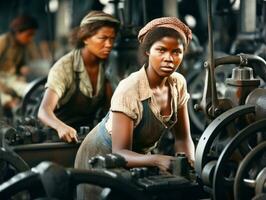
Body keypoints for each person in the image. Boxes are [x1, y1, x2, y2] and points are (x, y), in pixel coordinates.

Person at [75, 16, 195, 200]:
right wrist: (157, 159)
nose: (169, 58)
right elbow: (120, 151)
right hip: (99, 158)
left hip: (137, 157)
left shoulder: (178, 83)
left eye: (176, 52)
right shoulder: (129, 89)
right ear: (147, 51)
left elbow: (183, 137)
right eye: (161, 50)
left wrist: (189, 166)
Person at [38, 11, 120, 143]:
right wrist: (61, 127)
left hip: (86, 136)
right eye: (103, 38)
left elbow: (110, 109)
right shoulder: (64, 67)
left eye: (112, 39)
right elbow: (44, 111)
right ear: (85, 38)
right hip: (56, 138)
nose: (109, 44)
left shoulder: (106, 68)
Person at [0, 15, 40, 116]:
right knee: (3, 96)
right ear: (18, 32)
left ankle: (36, 105)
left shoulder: (23, 46)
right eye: (29, 34)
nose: (31, 38)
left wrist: (21, 71)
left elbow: (20, 66)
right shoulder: (3, 41)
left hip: (12, 78)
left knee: (26, 88)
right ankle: (14, 107)